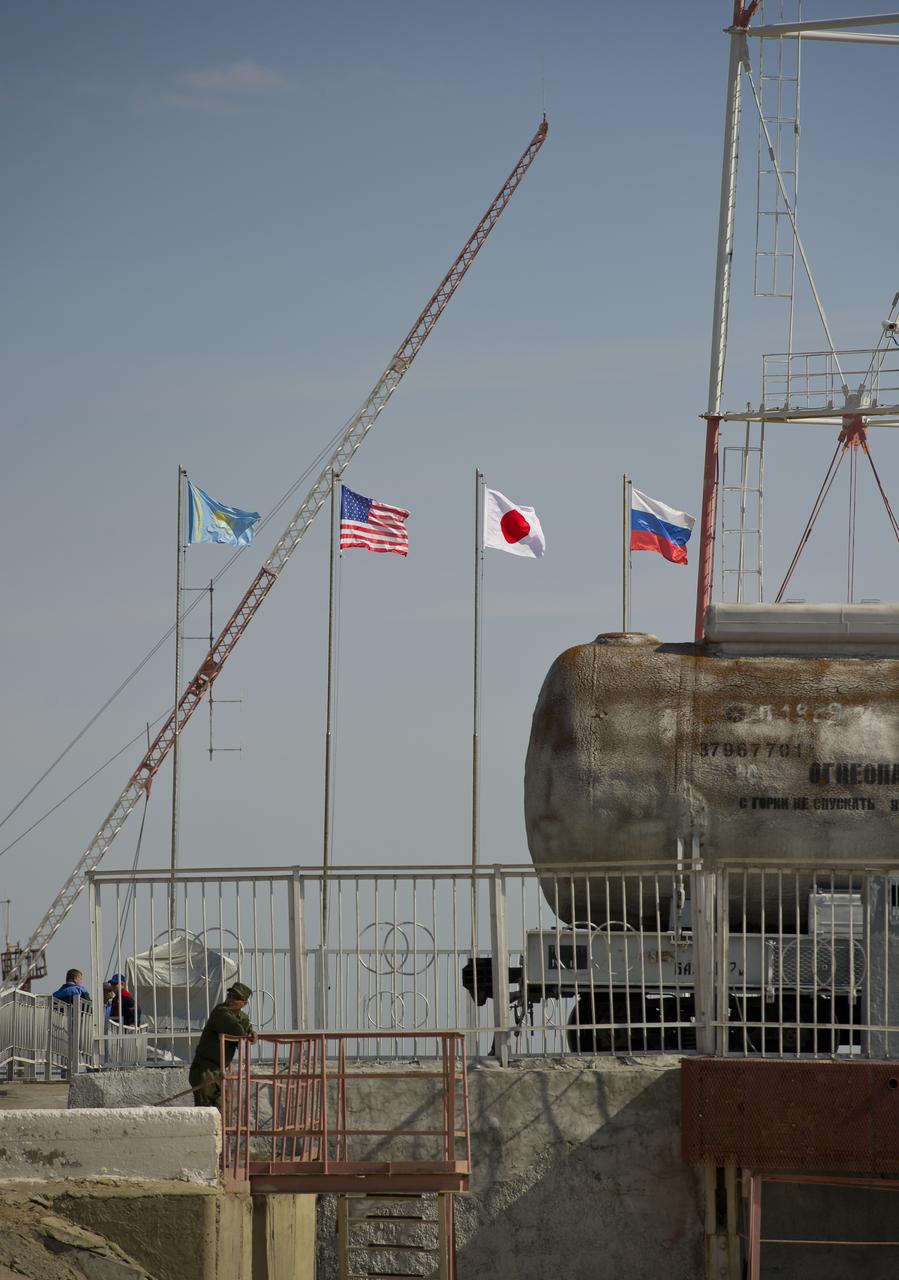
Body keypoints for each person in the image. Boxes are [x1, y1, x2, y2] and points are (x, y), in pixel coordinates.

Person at [188, 982, 257, 1108]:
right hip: (204, 1069)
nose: (230, 1000)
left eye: (235, 998)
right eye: (229, 995)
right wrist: (247, 1032)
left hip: (217, 1071)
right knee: (207, 1110)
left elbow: (248, 1032)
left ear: (244, 1003)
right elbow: (239, 1031)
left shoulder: (242, 1017)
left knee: (222, 1108)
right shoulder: (221, 1012)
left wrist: (251, 1033)